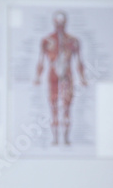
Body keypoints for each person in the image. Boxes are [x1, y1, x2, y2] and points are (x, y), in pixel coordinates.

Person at [33, 10, 86, 146]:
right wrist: (37, 77)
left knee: (67, 107)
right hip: (53, 76)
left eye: (62, 23)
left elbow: (79, 61)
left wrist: (82, 77)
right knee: (54, 106)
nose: (60, 26)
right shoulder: (46, 41)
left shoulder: (73, 41)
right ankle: (55, 138)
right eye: (58, 23)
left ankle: (66, 138)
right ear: (54, 22)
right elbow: (41, 61)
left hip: (67, 76)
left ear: (66, 22)